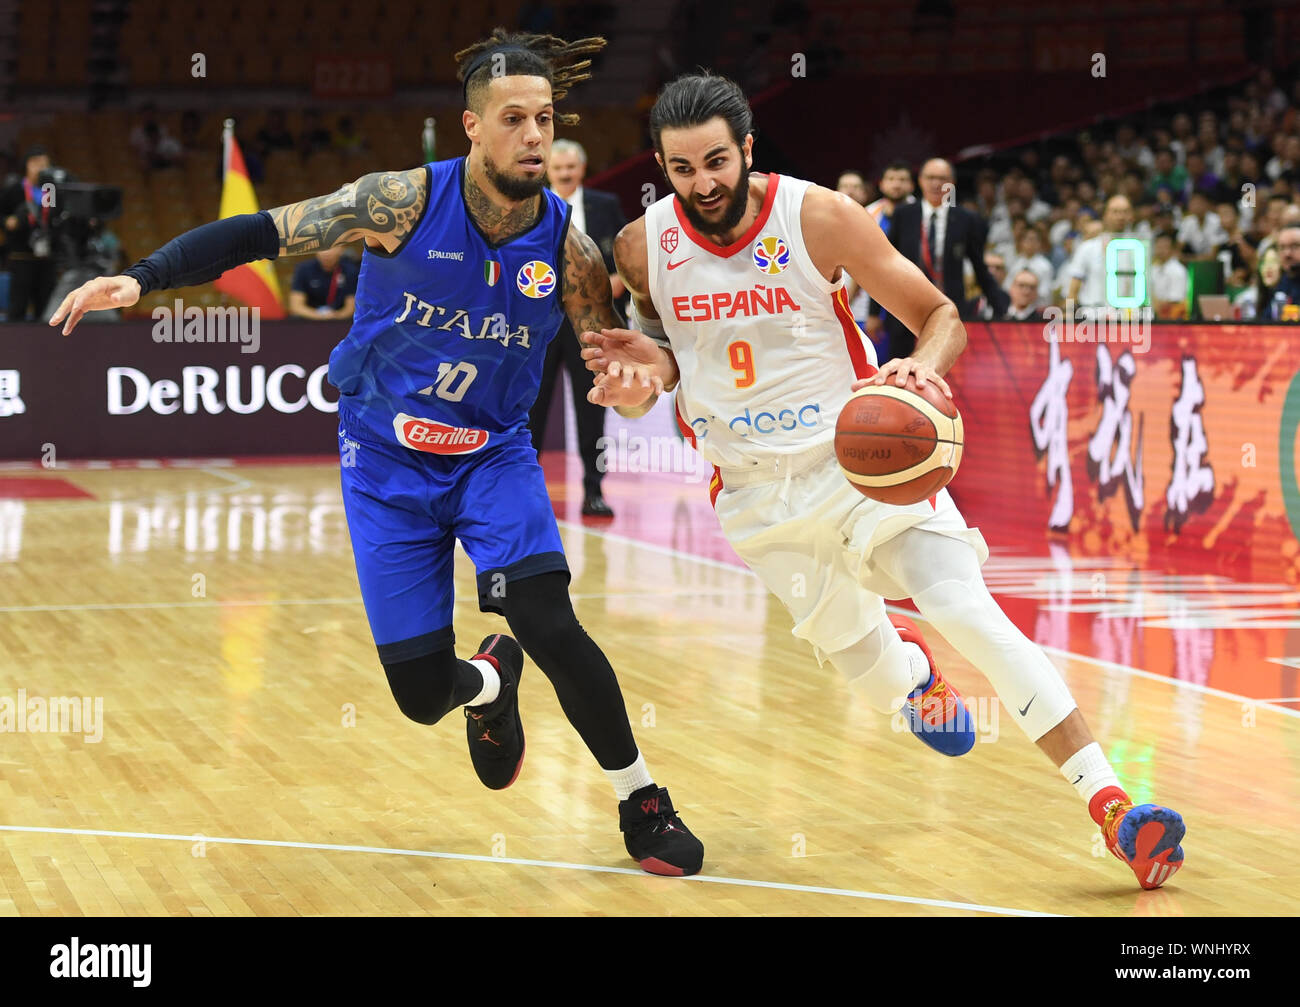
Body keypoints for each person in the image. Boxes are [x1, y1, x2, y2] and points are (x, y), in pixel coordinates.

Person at [49, 29, 704, 878]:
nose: (535, 136)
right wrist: (143, 276)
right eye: (514, 119)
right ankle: (488, 684)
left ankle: (640, 800)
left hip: (492, 457)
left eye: (545, 118)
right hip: (385, 464)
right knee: (421, 695)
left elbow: (617, 366)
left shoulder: (570, 254)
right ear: (471, 126)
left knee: (547, 618)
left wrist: (636, 389)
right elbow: (263, 230)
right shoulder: (398, 202)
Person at [580, 71, 1185, 891]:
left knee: (965, 607)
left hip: (858, 460)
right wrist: (643, 377)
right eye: (683, 170)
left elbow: (942, 317)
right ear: (661, 164)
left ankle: (1114, 805)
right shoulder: (642, 247)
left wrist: (919, 368)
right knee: (869, 677)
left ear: (747, 149)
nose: (704, 184)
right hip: (756, 494)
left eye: (717, 163)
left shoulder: (818, 215)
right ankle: (911, 681)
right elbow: (668, 360)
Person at [528, 138, 626, 517]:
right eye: (558, 168)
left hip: (590, 327)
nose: (565, 174)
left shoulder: (605, 206)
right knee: (531, 410)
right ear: (547, 171)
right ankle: (527, 494)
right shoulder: (529, 208)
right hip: (543, 326)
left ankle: (594, 490)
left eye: (571, 168)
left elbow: (625, 257)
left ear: (581, 169)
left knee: (593, 411)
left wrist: (618, 282)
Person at [868, 156, 1008, 356]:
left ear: (952, 182)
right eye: (930, 177)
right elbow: (887, 265)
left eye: (942, 178)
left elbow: (980, 268)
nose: (936, 183)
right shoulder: (904, 214)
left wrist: (1002, 310)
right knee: (900, 370)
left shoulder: (966, 219)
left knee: (946, 372)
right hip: (904, 307)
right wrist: (874, 313)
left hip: (948, 308)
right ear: (920, 180)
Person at [0, 145, 58, 321]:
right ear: (26, 165)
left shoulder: (51, 190)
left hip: (47, 256)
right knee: (18, 306)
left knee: (46, 308)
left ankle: (45, 345)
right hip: (21, 255)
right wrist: (7, 222)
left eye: (44, 164)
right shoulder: (15, 188)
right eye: (36, 163)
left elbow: (53, 214)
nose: (41, 168)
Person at [289, 245, 360, 320]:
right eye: (322, 248)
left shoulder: (351, 270)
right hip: (309, 321)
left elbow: (350, 307)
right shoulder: (303, 269)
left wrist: (335, 316)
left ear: (341, 249)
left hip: (339, 322)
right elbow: (296, 306)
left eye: (331, 248)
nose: (326, 253)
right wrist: (321, 316)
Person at [1149, 231, 1188, 319]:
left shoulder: (1179, 270)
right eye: (1158, 247)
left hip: (1172, 319)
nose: (1161, 250)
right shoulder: (1152, 268)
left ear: (1173, 249)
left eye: (1164, 247)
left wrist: (1155, 304)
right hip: (1152, 315)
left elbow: (1176, 300)